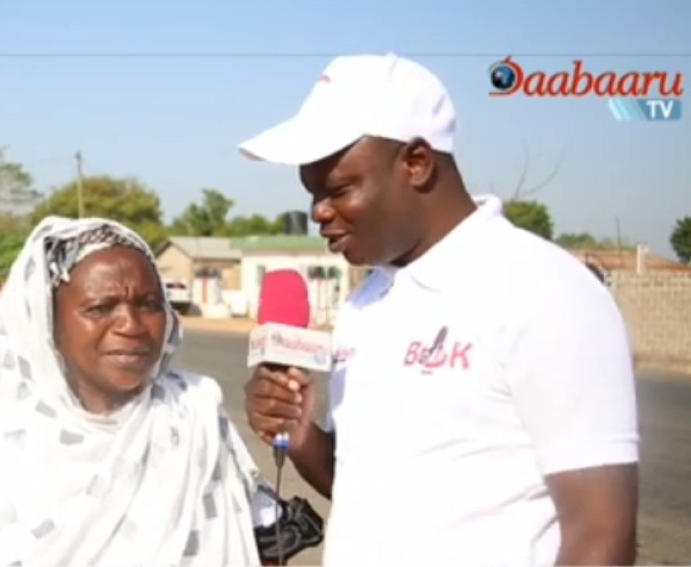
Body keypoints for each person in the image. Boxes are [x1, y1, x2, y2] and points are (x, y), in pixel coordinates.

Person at [239, 53, 639, 566]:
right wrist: (300, 435)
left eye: (338, 189)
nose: (318, 212)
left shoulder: (545, 291)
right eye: (313, 194)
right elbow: (364, 493)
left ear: (417, 163)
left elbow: (601, 535)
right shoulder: (366, 304)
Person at [0, 216, 324, 566]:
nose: (131, 325)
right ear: (48, 323)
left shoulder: (194, 409)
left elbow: (254, 540)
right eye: (100, 308)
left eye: (149, 304)